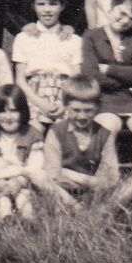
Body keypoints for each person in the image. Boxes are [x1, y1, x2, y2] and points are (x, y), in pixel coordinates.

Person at [81, 0, 132, 173]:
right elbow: (91, 75)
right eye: (121, 13)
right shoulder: (92, 36)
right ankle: (110, 180)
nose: (124, 21)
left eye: (131, 19)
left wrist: (108, 69)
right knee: (107, 128)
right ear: (111, 7)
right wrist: (129, 73)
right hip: (104, 99)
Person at [11, 0, 82, 129]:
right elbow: (20, 80)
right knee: (34, 130)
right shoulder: (23, 38)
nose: (47, 10)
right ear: (33, 6)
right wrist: (40, 103)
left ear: (62, 6)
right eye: (41, 4)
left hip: (66, 96)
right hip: (33, 96)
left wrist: (64, 104)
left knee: (66, 132)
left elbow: (76, 78)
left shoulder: (73, 39)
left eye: (53, 4)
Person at [40, 76, 119, 205]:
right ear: (65, 106)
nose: (82, 116)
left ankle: (90, 207)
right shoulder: (56, 132)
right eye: (75, 110)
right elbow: (53, 175)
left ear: (97, 107)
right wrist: (90, 182)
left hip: (94, 194)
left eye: (88, 111)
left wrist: (73, 176)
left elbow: (110, 179)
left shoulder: (104, 134)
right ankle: (74, 206)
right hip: (63, 193)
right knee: (41, 176)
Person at [0, 84, 45, 220]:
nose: (8, 117)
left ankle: (27, 220)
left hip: (21, 181)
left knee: (25, 196)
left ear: (23, 112)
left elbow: (35, 166)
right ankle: (4, 219)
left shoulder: (32, 135)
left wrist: (21, 181)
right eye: (2, 111)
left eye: (13, 111)